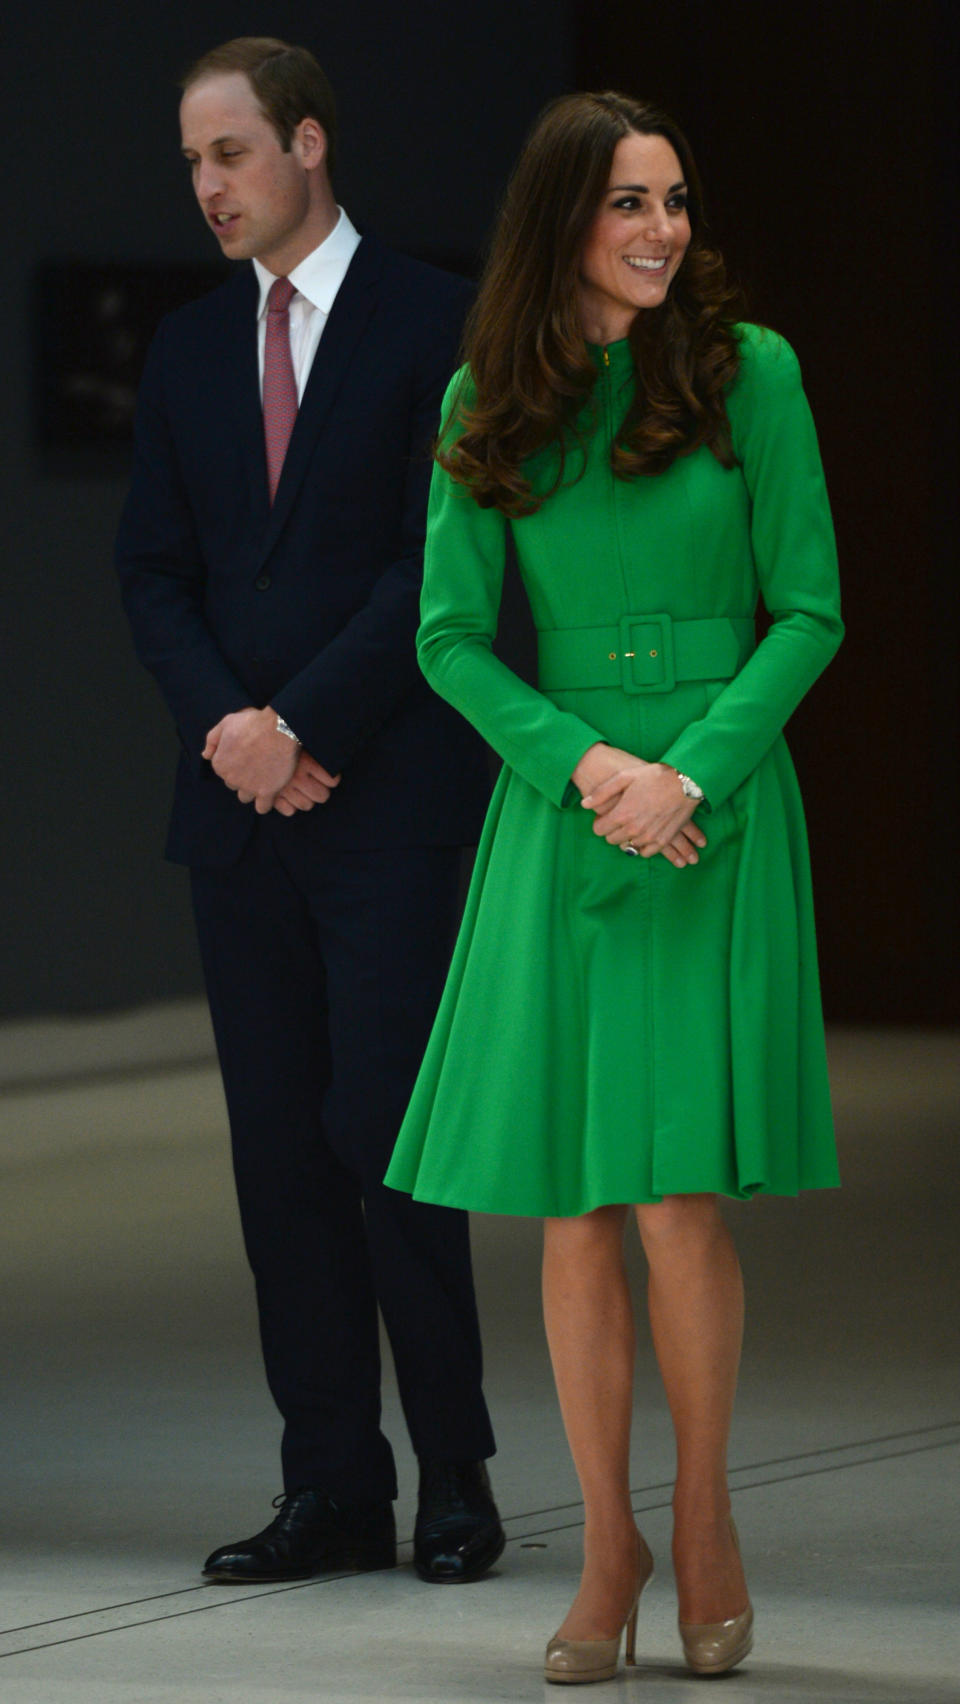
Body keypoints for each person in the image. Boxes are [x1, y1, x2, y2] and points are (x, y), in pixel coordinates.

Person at [385, 90, 843, 1680]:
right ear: (560, 221)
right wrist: (591, 771)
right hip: (564, 805)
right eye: (627, 204)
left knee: (674, 1198)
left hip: (711, 810)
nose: (661, 232)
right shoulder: (485, 397)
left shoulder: (750, 370)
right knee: (574, 1208)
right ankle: (606, 1544)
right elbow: (446, 636)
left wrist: (686, 774)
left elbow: (810, 609)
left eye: (674, 201)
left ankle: (705, 1519)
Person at [116, 36, 505, 1587]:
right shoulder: (191, 351)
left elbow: (443, 561)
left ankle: (457, 1477)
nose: (208, 185)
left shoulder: (434, 320)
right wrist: (233, 730)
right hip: (239, 817)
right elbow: (153, 567)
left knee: (393, 1145)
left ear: (309, 144)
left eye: (230, 153)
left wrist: (306, 725)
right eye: (193, 162)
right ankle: (332, 1487)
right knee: (279, 1159)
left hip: (388, 807)